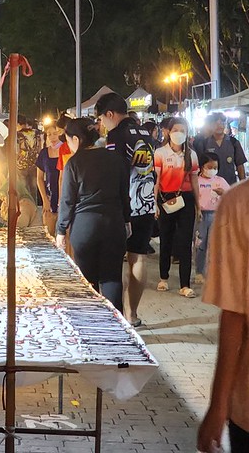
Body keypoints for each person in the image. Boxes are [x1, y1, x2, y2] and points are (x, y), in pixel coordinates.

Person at [197, 179, 249, 453]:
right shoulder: (238, 204)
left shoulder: (239, 203)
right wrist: (219, 406)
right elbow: (234, 316)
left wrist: (218, 407)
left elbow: (234, 318)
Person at [56, 118, 130, 313]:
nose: (69, 146)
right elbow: (125, 194)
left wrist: (60, 230)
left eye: (68, 141)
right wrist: (127, 220)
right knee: (112, 278)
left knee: (87, 281)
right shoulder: (116, 159)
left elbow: (67, 200)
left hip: (85, 226)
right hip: (114, 223)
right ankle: (116, 330)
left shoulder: (74, 163)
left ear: (76, 139)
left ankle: (91, 324)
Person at [96, 92, 156, 327]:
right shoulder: (146, 134)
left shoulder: (116, 136)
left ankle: (117, 313)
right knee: (138, 258)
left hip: (124, 206)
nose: (101, 124)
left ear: (110, 114)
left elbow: (115, 171)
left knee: (114, 260)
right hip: (146, 203)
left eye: (102, 119)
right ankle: (132, 314)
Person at [153, 117, 199, 298]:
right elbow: (156, 180)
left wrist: (198, 204)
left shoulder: (192, 155)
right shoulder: (160, 153)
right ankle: (163, 277)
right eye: (176, 130)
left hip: (186, 200)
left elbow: (194, 180)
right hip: (165, 199)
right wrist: (154, 203)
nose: (179, 134)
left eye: (183, 130)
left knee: (185, 241)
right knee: (166, 238)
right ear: (168, 132)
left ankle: (185, 284)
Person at [194, 152, 230, 284]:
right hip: (201, 216)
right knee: (200, 244)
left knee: (215, 244)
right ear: (202, 167)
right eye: (210, 167)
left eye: (215, 167)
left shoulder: (220, 181)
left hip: (217, 215)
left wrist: (224, 193)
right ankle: (199, 271)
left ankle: (215, 272)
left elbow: (231, 196)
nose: (213, 170)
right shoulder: (197, 181)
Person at [193, 112, 247, 185]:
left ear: (225, 124)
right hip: (210, 186)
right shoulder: (204, 143)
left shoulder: (233, 142)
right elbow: (200, 166)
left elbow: (240, 165)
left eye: (222, 123)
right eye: (216, 123)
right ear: (211, 125)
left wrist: (243, 186)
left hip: (230, 186)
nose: (219, 125)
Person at [36, 122, 61, 237]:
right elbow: (39, 178)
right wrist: (45, 200)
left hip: (64, 196)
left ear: (60, 133)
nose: (52, 137)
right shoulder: (44, 153)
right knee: (49, 235)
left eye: (55, 133)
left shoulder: (66, 151)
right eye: (49, 134)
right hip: (50, 196)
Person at [16, 115, 41, 202]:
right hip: (35, 164)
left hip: (21, 165)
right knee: (34, 188)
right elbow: (39, 148)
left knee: (23, 189)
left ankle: (25, 207)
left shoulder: (18, 135)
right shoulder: (36, 133)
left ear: (18, 124)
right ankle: (34, 206)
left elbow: (17, 151)